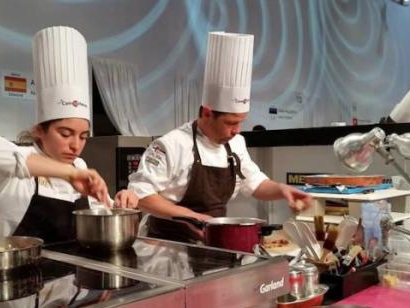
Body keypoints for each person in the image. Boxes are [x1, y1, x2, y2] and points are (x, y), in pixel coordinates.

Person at [128, 31, 312, 243]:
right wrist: (193, 217)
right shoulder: (171, 145)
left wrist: (282, 190)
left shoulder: (235, 144)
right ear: (207, 113)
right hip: (166, 245)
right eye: (231, 123)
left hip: (210, 241)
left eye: (241, 122)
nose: (237, 130)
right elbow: (141, 194)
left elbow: (255, 183)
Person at [0, 26, 137, 241]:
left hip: (73, 270)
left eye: (83, 136)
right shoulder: (13, 161)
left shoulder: (80, 166)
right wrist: (69, 174)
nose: (76, 146)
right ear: (39, 130)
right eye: (65, 133)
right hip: (19, 269)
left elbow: (102, 213)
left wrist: (119, 203)